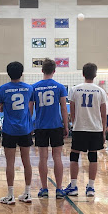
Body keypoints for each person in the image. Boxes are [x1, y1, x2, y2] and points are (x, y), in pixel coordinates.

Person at [0, 61, 34, 204]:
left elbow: (0, 108)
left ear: (8, 73)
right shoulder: (29, 88)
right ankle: (28, 193)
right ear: (22, 73)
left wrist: (5, 105)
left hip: (10, 130)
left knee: (10, 162)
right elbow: (30, 106)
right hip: (25, 129)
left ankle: (10, 195)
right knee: (26, 161)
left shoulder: (3, 89)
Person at [65, 63, 106, 197]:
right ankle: (91, 188)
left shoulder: (75, 89)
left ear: (83, 74)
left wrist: (74, 124)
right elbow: (103, 113)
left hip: (80, 128)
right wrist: (103, 131)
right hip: (95, 128)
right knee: (92, 156)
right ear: (95, 75)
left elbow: (73, 111)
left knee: (74, 155)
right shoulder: (100, 91)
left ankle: (73, 186)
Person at [32, 58, 68, 199]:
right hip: (55, 125)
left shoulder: (34, 87)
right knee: (57, 157)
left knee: (43, 158)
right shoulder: (59, 87)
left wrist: (30, 125)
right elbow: (64, 108)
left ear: (42, 70)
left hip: (40, 126)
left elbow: (30, 109)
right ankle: (59, 189)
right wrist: (66, 125)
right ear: (54, 70)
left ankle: (44, 189)